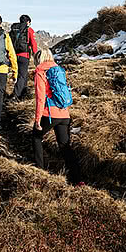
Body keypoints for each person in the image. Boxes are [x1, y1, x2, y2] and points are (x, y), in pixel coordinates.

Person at [32, 48, 83, 184]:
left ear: (38, 59)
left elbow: (40, 98)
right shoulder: (58, 70)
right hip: (64, 114)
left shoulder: (40, 72)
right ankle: (77, 179)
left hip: (49, 114)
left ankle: (40, 172)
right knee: (65, 146)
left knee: (36, 138)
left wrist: (37, 120)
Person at [9, 14, 38, 101]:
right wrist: (36, 55)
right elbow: (33, 44)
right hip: (24, 56)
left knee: (23, 75)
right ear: (28, 22)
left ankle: (22, 94)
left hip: (14, 56)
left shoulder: (14, 30)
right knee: (22, 76)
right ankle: (16, 95)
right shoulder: (29, 30)